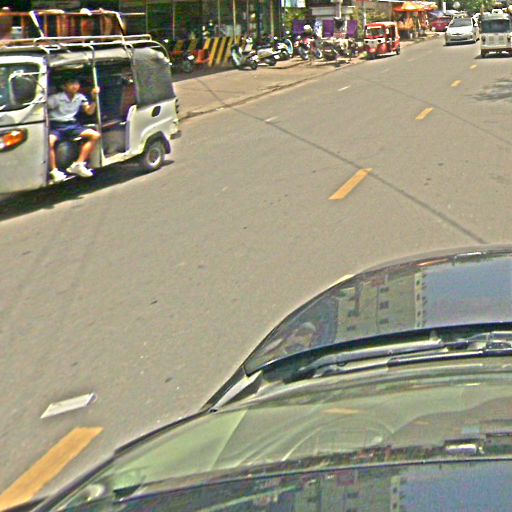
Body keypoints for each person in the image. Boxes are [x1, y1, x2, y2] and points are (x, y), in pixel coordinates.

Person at [47, 77, 100, 183]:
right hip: (57, 126)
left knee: (95, 135)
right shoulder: (55, 98)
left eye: (76, 83)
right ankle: (54, 171)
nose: (75, 86)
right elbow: (45, 110)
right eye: (71, 84)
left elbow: (89, 112)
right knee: (49, 142)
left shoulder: (80, 97)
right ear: (64, 86)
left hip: (72, 125)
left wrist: (94, 99)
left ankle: (78, 164)